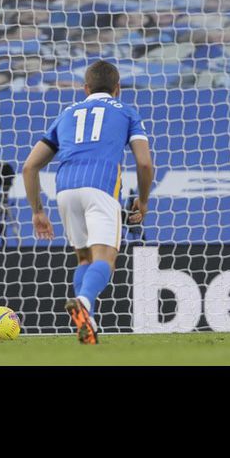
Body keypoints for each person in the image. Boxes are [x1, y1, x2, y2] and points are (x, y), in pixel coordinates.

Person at [23, 60, 154, 344]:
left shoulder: (66, 114)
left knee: (84, 258)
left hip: (65, 189)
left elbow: (29, 167)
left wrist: (37, 211)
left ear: (85, 88)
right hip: (101, 186)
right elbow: (144, 164)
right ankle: (83, 300)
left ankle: (87, 320)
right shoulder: (127, 112)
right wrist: (142, 201)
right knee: (105, 259)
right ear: (117, 89)